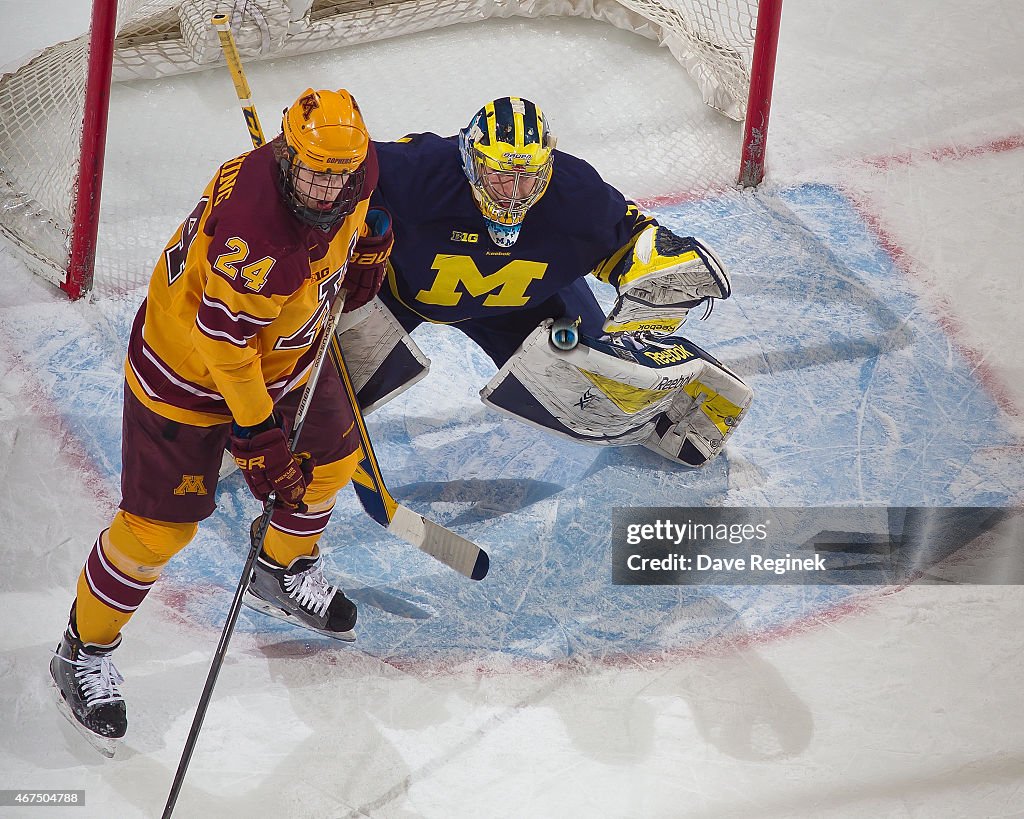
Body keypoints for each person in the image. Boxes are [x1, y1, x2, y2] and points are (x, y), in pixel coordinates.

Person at [49, 88, 394, 755]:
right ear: (288, 154)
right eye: (314, 172)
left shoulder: (351, 165)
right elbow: (226, 347)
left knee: (333, 461)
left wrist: (368, 243)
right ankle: (81, 650)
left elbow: (355, 208)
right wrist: (258, 437)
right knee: (157, 531)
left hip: (286, 353)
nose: (327, 187)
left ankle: (279, 567)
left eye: (339, 174)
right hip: (189, 377)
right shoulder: (255, 238)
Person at [337, 96, 752, 467]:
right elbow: (332, 172)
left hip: (527, 305)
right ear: (469, 159)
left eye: (529, 177)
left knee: (592, 386)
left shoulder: (573, 191)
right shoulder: (418, 170)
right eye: (502, 175)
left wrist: (658, 263)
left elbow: (629, 237)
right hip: (397, 293)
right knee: (319, 375)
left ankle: (676, 389)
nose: (514, 193)